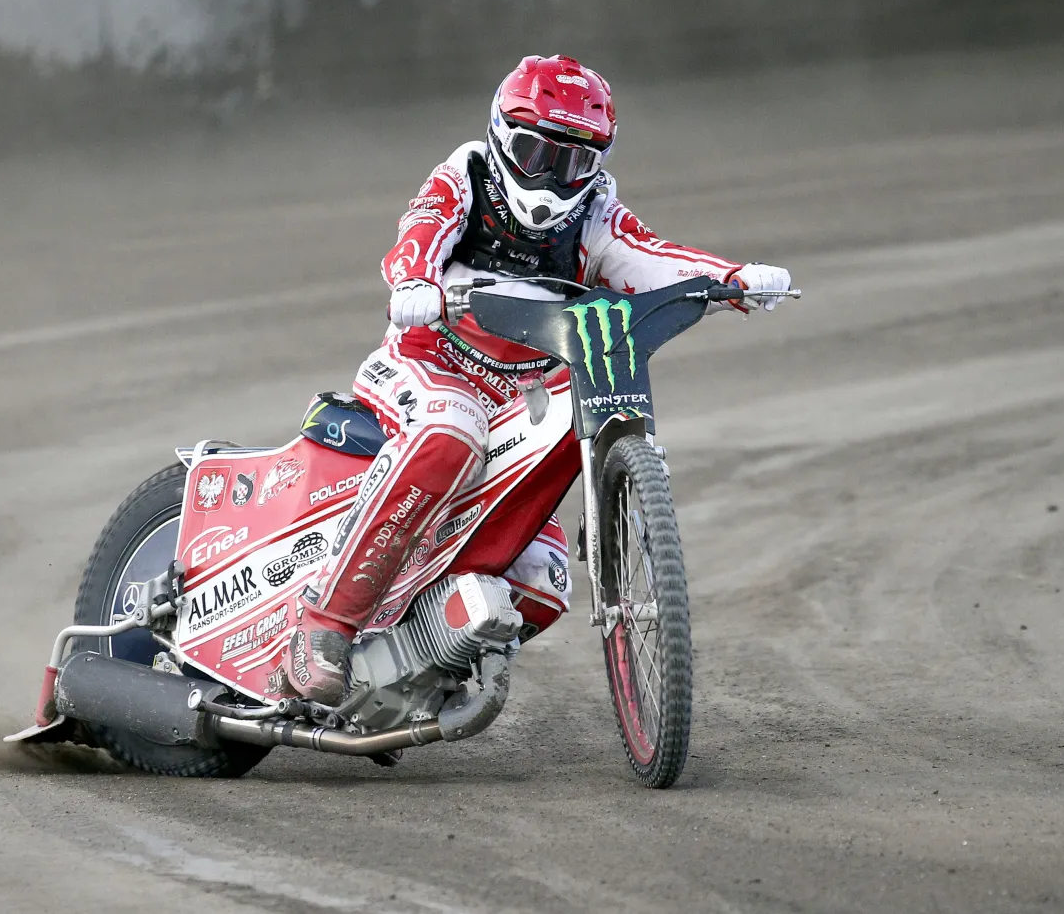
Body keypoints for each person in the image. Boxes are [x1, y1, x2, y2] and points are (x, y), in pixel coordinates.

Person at [282, 54, 792, 704]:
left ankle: (409, 675)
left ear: (596, 167)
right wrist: (414, 282)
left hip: (516, 394)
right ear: (500, 135)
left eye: (574, 162)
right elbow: (420, 230)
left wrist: (733, 278)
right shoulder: (466, 174)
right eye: (534, 151)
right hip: (423, 363)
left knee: (545, 581)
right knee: (451, 426)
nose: (552, 178)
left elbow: (645, 255)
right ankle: (322, 623)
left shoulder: (596, 210)